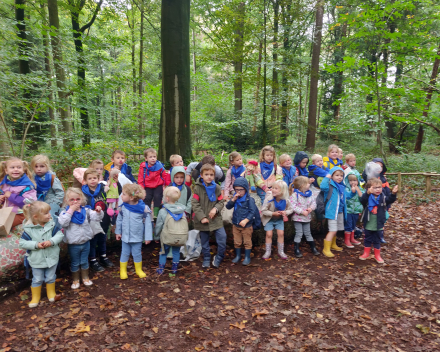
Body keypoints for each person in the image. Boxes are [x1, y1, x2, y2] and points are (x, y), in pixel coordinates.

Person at [19, 201, 64, 307]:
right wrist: (35, 245)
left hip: (51, 257)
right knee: (37, 278)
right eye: (46, 213)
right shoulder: (29, 230)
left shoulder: (51, 225)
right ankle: (35, 297)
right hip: (36, 259)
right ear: (36, 216)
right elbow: (22, 243)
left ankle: (51, 293)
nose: (50, 215)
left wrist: (51, 241)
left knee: (50, 277)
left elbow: (60, 235)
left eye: (49, 212)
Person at [58, 187, 103, 289]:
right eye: (72, 200)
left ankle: (85, 277)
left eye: (77, 199)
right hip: (73, 244)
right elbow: (63, 223)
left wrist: (98, 212)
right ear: (66, 201)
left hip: (86, 241)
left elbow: (96, 218)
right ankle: (75, 279)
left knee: (84, 261)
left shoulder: (86, 210)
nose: (75, 202)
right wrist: (71, 211)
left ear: (82, 199)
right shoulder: (64, 212)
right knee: (75, 262)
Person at [191, 164, 226, 268]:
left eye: (211, 174)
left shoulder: (217, 188)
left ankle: (219, 256)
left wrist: (216, 209)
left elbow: (221, 201)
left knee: (222, 238)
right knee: (204, 241)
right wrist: (201, 217)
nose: (209, 177)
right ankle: (206, 257)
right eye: (206, 174)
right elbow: (195, 204)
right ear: (201, 175)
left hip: (215, 218)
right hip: (203, 219)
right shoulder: (197, 188)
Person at [115, 184, 152, 279]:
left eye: (123, 194)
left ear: (131, 197)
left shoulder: (143, 209)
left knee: (137, 253)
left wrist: (148, 237)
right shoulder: (123, 207)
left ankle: (138, 269)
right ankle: (123, 270)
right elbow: (119, 220)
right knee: (124, 253)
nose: (121, 196)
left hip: (137, 236)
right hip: (125, 237)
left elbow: (148, 223)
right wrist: (118, 232)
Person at [359, 179, 398, 264]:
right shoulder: (367, 197)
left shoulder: (382, 198)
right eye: (375, 188)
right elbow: (362, 200)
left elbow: (390, 199)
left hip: (379, 223)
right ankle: (366, 253)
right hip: (369, 222)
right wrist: (367, 193)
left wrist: (393, 193)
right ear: (369, 188)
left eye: (379, 187)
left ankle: (377, 255)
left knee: (377, 239)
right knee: (368, 238)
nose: (378, 189)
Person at [81, 169, 113, 271]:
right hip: (91, 220)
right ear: (85, 180)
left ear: (98, 178)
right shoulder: (83, 191)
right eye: (89, 179)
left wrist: (114, 182)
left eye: (94, 178)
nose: (92, 180)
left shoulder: (103, 188)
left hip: (104, 218)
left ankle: (103, 257)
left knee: (102, 239)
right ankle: (93, 260)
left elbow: (116, 192)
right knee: (93, 240)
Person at [320, 167, 355, 258]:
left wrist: (353, 192)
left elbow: (347, 196)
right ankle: (326, 249)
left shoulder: (342, 186)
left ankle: (333, 244)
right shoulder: (330, 185)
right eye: (337, 175)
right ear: (332, 176)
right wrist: (327, 177)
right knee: (332, 230)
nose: (339, 177)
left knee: (337, 229)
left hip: (340, 211)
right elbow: (322, 186)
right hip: (332, 211)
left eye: (341, 175)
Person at [225, 177, 259, 266]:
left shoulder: (249, 200)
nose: (238, 192)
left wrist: (246, 220)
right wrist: (233, 200)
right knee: (237, 241)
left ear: (245, 189)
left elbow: (252, 211)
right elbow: (228, 207)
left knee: (247, 242)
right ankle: (238, 256)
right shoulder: (235, 198)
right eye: (236, 190)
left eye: (241, 190)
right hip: (236, 224)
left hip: (246, 226)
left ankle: (247, 257)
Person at [156, 187, 187, 274]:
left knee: (163, 252)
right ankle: (174, 269)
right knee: (176, 252)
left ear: (166, 198)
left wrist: (156, 236)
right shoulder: (182, 211)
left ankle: (161, 269)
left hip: (167, 236)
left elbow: (159, 225)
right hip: (179, 236)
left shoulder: (163, 211)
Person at [162, 165, 192, 258]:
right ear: (172, 177)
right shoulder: (169, 188)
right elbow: (164, 200)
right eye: (176, 177)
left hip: (182, 215)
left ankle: (181, 250)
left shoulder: (187, 189)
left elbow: (190, 202)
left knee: (180, 232)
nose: (179, 179)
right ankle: (170, 250)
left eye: (182, 177)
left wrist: (186, 212)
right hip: (171, 215)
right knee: (171, 232)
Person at [261, 180, 294, 260]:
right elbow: (263, 210)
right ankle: (268, 251)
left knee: (281, 234)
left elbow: (291, 209)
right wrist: (273, 213)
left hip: (279, 220)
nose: (273, 190)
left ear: (282, 191)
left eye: (276, 188)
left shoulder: (286, 200)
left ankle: (281, 251)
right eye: (273, 188)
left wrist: (285, 212)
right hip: (269, 219)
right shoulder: (269, 199)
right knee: (269, 234)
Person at [0, 157, 37, 228]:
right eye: (12, 167)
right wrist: (1, 198)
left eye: (19, 167)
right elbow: (3, 195)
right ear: (6, 171)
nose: (16, 169)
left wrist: (11, 196)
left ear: (23, 170)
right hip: (6, 211)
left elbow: (30, 203)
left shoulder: (27, 185)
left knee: (3, 225)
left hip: (20, 213)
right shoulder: (5, 183)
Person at [362, 157, 391, 243]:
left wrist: (388, 203)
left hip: (382, 201)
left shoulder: (383, 178)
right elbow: (365, 176)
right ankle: (368, 234)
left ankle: (380, 236)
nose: (379, 167)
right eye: (377, 165)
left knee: (382, 218)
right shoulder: (370, 176)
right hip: (371, 202)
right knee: (370, 218)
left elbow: (387, 191)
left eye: (381, 166)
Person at [289, 176, 319, 258]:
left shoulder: (310, 194)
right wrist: (302, 211)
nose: (309, 184)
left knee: (308, 233)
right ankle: (296, 249)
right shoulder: (295, 195)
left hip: (307, 217)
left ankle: (313, 247)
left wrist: (310, 208)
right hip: (298, 218)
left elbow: (314, 203)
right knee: (299, 233)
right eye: (308, 183)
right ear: (302, 185)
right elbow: (293, 206)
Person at [31, 155, 64, 220]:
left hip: (51, 203)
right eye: (36, 166)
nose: (39, 169)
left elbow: (60, 192)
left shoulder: (51, 177)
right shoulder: (32, 178)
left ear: (47, 166)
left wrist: (55, 203)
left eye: (42, 166)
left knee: (50, 217)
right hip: (38, 203)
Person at [138, 148, 166, 218]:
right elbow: (140, 178)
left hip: (158, 185)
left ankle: (156, 214)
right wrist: (141, 188)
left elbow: (164, 176)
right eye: (150, 157)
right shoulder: (143, 167)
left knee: (157, 197)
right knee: (147, 198)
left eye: (154, 157)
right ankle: (147, 214)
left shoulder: (159, 166)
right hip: (147, 186)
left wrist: (165, 184)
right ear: (146, 158)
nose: (153, 159)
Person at [344, 172, 363, 248]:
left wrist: (357, 189)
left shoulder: (361, 189)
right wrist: (352, 191)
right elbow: (347, 197)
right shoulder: (346, 188)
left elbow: (361, 197)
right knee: (348, 225)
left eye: (355, 180)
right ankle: (347, 241)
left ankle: (352, 239)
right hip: (348, 210)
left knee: (353, 225)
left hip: (356, 210)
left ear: (358, 180)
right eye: (350, 181)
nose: (353, 182)